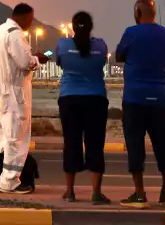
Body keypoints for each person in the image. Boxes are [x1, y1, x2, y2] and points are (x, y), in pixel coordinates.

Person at [115, 0, 165, 207]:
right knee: (163, 144)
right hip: (158, 98)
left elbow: (119, 56)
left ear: (137, 13)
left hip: (134, 98)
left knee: (135, 145)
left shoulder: (131, 32)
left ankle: (139, 193)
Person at [0, 2, 51, 194]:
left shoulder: (0, 31)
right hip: (15, 93)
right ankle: (10, 181)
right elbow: (24, 62)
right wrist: (38, 60)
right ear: (23, 17)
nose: (31, 24)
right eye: (31, 20)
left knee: (6, 135)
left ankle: (5, 176)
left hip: (3, 89)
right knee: (17, 137)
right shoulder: (15, 34)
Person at [54, 11, 110, 204]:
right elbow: (102, 61)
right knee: (95, 144)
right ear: (91, 26)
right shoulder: (100, 45)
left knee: (71, 142)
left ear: (72, 26)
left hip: (69, 98)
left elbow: (60, 63)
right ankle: (96, 193)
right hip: (96, 99)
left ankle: (69, 191)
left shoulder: (63, 45)